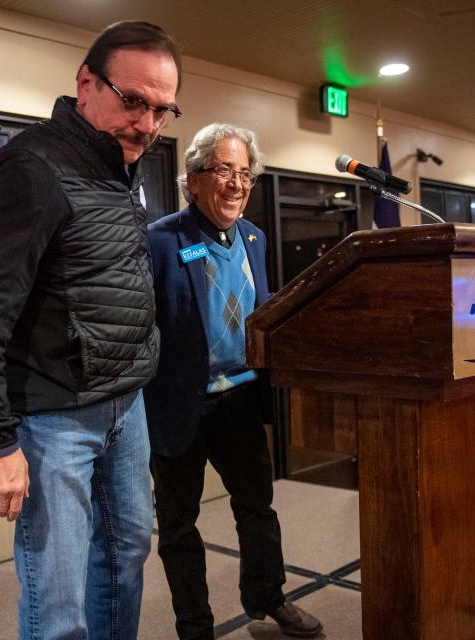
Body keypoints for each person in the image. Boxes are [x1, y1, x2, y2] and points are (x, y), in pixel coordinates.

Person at [0, 21, 182, 640]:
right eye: (133, 102)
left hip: (126, 405)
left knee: (126, 559)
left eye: (162, 110)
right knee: (59, 598)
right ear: (85, 82)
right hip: (54, 419)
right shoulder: (31, 168)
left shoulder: (120, 167)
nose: (148, 125)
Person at [145, 124, 323, 639]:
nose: (236, 183)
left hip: (241, 398)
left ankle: (268, 597)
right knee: (179, 528)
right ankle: (195, 628)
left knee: (258, 509)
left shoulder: (253, 238)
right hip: (180, 406)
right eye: (224, 170)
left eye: (245, 173)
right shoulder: (161, 240)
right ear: (195, 178)